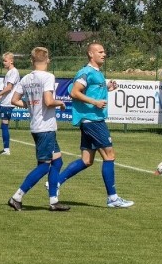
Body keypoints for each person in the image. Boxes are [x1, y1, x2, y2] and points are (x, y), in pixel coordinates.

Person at [56, 43, 134, 208]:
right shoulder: (85, 72)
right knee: (109, 155)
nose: (104, 54)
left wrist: (107, 88)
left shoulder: (95, 73)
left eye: (104, 51)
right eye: (100, 51)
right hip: (93, 120)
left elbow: (91, 90)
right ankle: (113, 198)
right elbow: (74, 92)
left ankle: (55, 182)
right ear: (91, 54)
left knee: (87, 160)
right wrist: (95, 102)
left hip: (91, 120)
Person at [6, 47, 69, 211]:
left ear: (32, 60)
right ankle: (16, 197)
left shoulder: (27, 78)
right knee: (43, 166)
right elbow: (48, 101)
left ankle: (54, 201)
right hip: (45, 128)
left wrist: (30, 105)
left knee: (58, 161)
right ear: (48, 60)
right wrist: (60, 103)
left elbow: (14, 100)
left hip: (37, 125)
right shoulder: (48, 77)